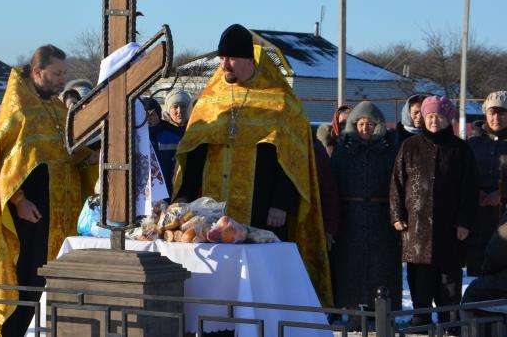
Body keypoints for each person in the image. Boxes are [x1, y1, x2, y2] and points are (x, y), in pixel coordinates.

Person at [174, 24, 331, 305]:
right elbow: (196, 150)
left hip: (262, 206)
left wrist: (281, 202)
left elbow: (293, 157)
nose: (224, 66)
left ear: (249, 59)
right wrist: (184, 194)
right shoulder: (211, 100)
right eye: (221, 59)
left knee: (260, 278)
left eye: (231, 58)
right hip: (213, 206)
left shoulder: (281, 102)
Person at [0, 45, 88, 337]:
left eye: (64, 73)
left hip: (60, 213)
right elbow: (2, 168)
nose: (63, 79)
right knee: (27, 282)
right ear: (38, 72)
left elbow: (69, 153)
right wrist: (19, 201)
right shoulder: (18, 110)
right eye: (57, 73)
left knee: (53, 284)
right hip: (29, 218)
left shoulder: (58, 108)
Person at [391, 95, 479, 326]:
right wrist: (397, 214)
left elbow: (470, 189)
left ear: (448, 119)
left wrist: (465, 222)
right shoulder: (410, 146)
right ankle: (420, 318)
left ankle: (449, 320)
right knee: (419, 274)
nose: (433, 121)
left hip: (450, 226)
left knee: (448, 276)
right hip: (416, 225)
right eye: (429, 116)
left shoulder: (460, 149)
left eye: (438, 117)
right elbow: (397, 182)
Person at [328, 101, 400, 318]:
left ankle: (382, 314)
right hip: (350, 216)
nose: (365, 128)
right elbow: (332, 184)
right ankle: (354, 312)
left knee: (382, 267)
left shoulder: (389, 150)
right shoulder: (343, 149)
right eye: (360, 123)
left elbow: (398, 184)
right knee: (351, 267)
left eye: (370, 123)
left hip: (381, 217)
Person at [466, 91, 507, 276]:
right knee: (477, 270)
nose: (496, 117)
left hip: (504, 218)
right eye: (492, 112)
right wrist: (477, 192)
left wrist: (501, 194)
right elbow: (462, 176)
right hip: (477, 219)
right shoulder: (472, 143)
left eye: (501, 113)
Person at [146, 89, 191, 195]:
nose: (179, 111)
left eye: (152, 115)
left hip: (175, 191)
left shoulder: (179, 134)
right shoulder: (137, 136)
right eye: (175, 107)